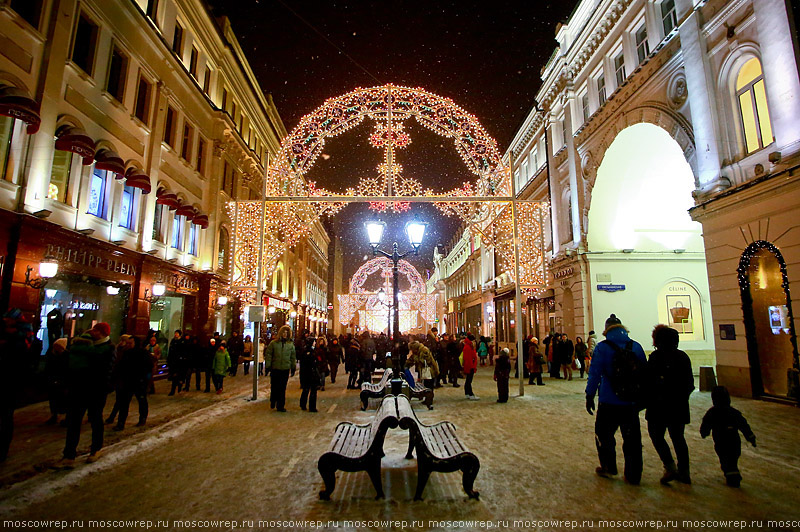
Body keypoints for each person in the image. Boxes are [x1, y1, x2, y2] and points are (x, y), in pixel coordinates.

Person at [585, 314, 647, 484]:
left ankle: (608, 467)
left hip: (609, 400)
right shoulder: (636, 347)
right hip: (630, 401)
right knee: (632, 440)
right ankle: (634, 474)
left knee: (604, 435)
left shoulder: (603, 348)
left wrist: (590, 394)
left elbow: (595, 373)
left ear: (606, 331)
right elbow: (643, 374)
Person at [54, 323, 115, 468]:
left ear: (101, 333)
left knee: (95, 419)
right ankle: (69, 455)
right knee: (74, 421)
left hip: (97, 390)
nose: (92, 331)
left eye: (95, 329)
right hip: (79, 389)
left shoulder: (109, 348)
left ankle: (96, 449)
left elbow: (104, 369)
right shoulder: (88, 345)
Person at [646, 325, 694, 485]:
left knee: (657, 436)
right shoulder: (683, 357)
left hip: (658, 406)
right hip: (678, 406)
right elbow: (690, 384)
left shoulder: (656, 357)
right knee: (678, 438)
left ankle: (670, 465)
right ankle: (684, 471)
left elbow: (649, 381)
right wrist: (681, 397)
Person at [700, 386, 756, 487]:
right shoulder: (733, 412)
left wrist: (704, 433)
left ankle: (732, 476)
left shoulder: (712, 413)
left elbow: (706, 424)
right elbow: (744, 426)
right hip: (734, 440)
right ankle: (733, 474)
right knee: (733, 458)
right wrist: (751, 438)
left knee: (725, 459)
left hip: (721, 441)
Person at [113, 336, 151, 430]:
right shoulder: (126, 353)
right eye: (128, 343)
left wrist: (144, 379)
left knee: (141, 401)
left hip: (139, 381)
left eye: (130, 343)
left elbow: (148, 367)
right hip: (127, 381)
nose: (129, 345)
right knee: (124, 403)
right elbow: (121, 366)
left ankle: (142, 418)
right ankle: (121, 423)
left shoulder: (143, 353)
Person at [264, 325, 296, 411]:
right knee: (274, 386)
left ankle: (280, 405)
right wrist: (268, 366)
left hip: (285, 369)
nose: (285, 334)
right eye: (284, 332)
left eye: (287, 333)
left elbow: (293, 357)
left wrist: (293, 367)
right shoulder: (274, 343)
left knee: (282, 388)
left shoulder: (290, 345)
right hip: (275, 368)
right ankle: (273, 400)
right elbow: (269, 354)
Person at [45, 337, 69, 425]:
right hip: (54, 380)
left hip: (61, 381)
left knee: (62, 399)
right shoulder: (52, 355)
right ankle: (54, 415)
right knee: (54, 399)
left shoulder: (65, 356)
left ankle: (62, 416)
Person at [299, 337, 321, 412]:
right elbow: (311, 362)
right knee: (312, 390)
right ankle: (311, 407)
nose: (315, 343)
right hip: (311, 373)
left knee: (306, 389)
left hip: (307, 373)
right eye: (314, 342)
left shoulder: (307, 350)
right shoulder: (309, 351)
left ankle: (303, 404)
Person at [167, 331, 185, 396]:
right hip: (173, 361)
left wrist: (182, 358)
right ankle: (173, 390)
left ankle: (179, 388)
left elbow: (183, 351)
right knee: (174, 376)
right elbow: (170, 350)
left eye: (177, 333)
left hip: (179, 362)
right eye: (175, 333)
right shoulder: (173, 341)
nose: (175, 334)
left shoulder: (182, 341)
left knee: (179, 376)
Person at [462, 333, 479, 400]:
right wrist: (472, 367)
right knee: (469, 380)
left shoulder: (469, 346)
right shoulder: (468, 347)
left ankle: (467, 393)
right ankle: (470, 394)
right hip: (470, 366)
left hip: (470, 366)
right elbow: (468, 358)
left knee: (468, 380)